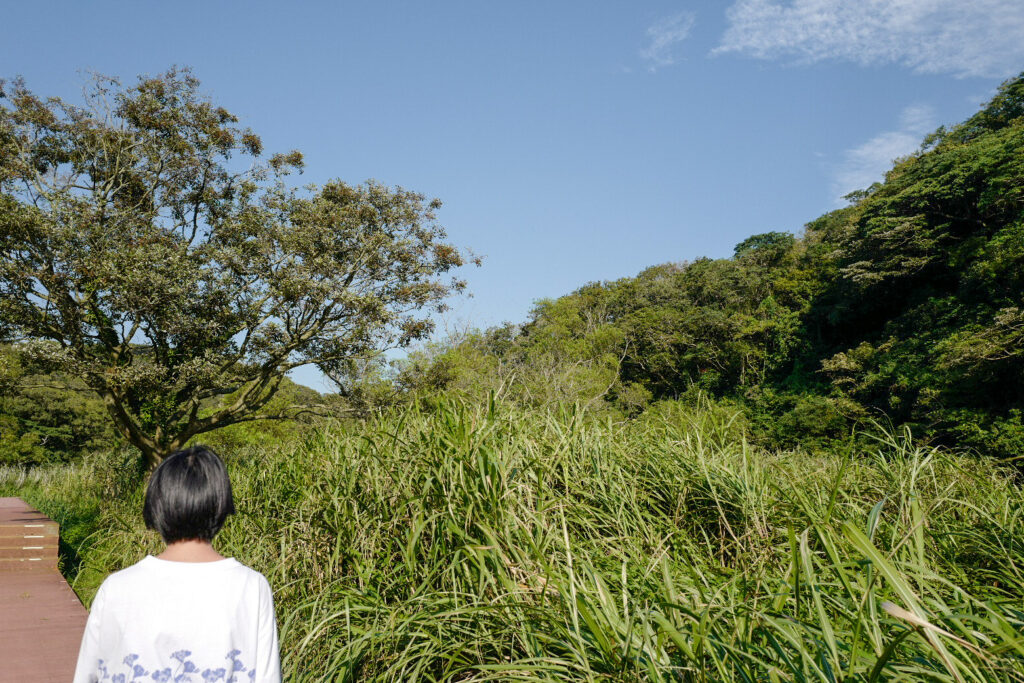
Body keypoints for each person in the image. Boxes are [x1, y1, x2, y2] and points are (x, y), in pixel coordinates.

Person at [73, 446, 281, 683]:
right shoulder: (251, 586)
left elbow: (88, 674)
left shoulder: (117, 587)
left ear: (156, 505)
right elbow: (268, 675)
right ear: (220, 504)